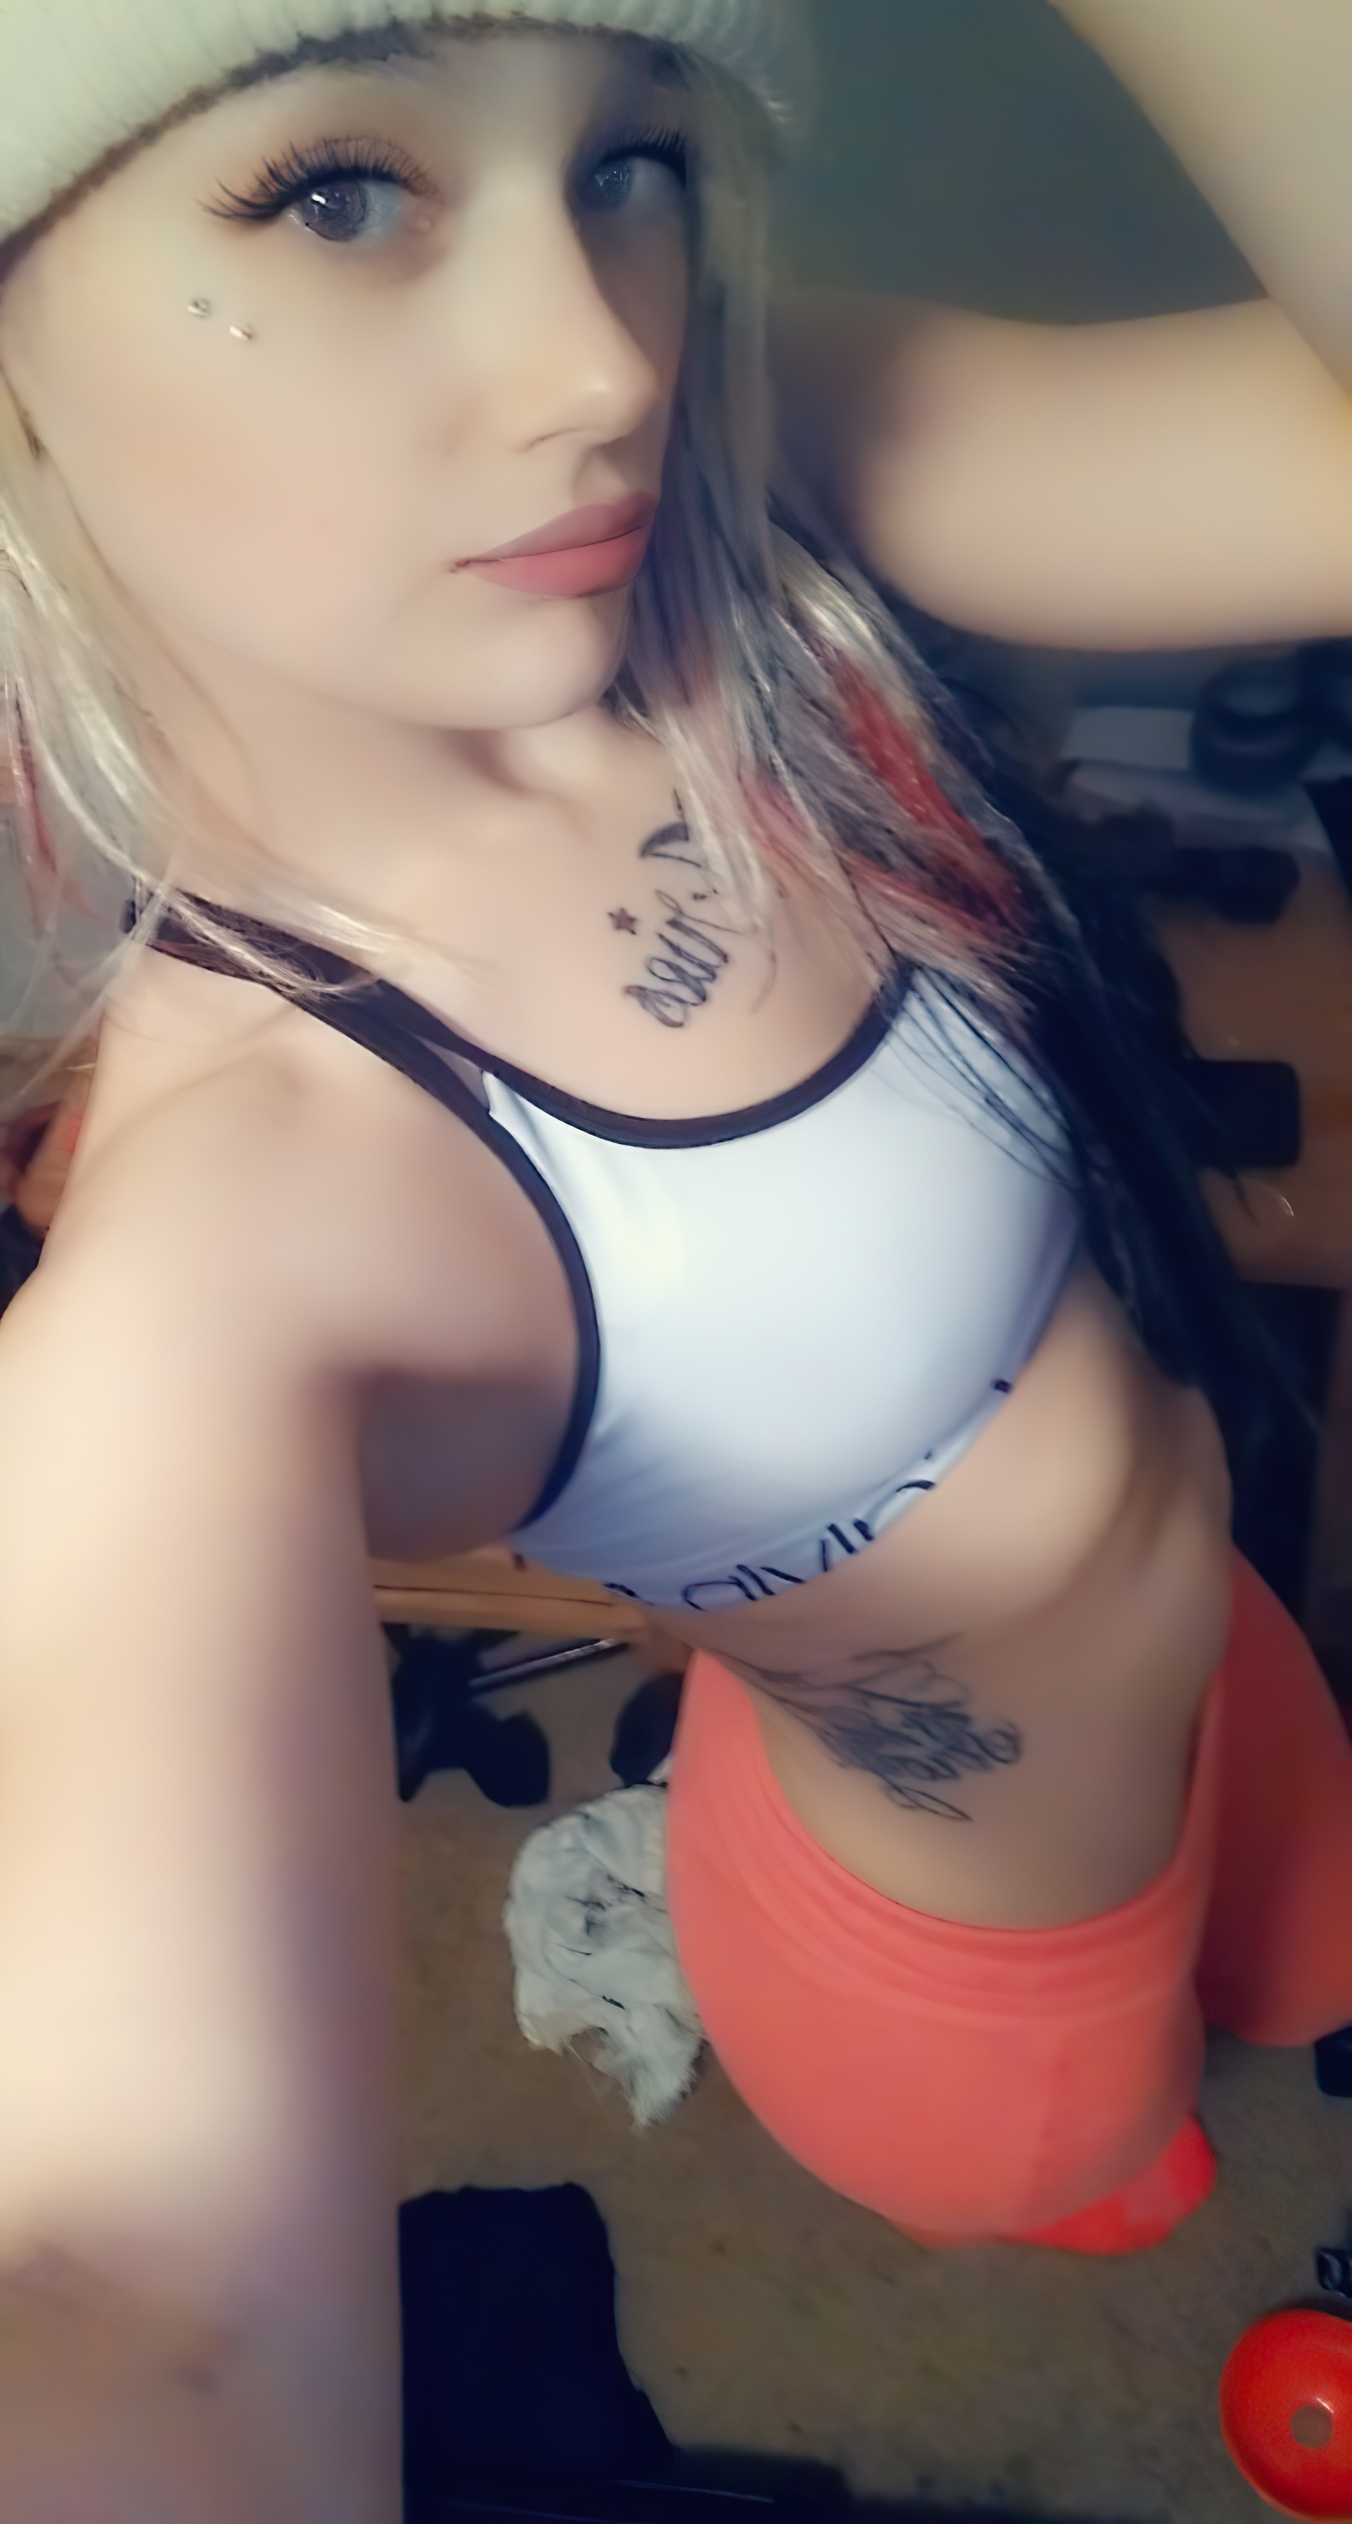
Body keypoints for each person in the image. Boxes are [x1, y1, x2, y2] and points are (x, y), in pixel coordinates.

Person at [0, 1, 1350, 2512]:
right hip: (967, 1953)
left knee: (1310, 1945)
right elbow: (147, 2310)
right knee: (1119, 2161)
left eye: (625, 159)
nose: (598, 358)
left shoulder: (726, 477)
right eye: (337, 191)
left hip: (1242, 1652)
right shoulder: (235, 1241)